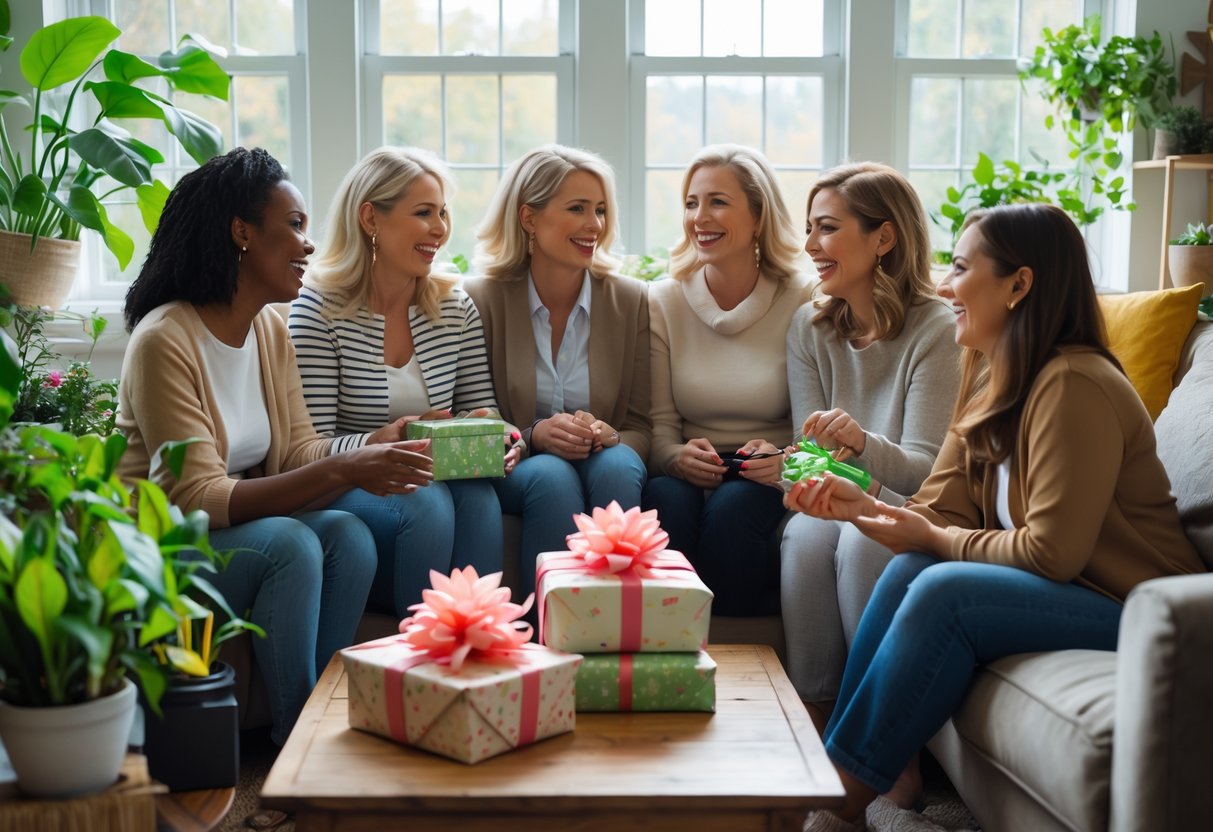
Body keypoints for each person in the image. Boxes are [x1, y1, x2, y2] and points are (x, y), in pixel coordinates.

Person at [788, 203, 1205, 831]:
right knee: (909, 570)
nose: (945, 286)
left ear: (1020, 283)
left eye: (959, 268)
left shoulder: (1074, 382)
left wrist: (930, 535)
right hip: (1067, 590)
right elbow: (935, 512)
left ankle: (836, 800)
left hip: (1137, 606)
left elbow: (1052, 554)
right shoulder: (989, 376)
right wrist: (860, 506)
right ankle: (857, 771)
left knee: (943, 589)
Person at [119, 147, 431, 748]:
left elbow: (294, 455)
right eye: (293, 226)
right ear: (242, 233)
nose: (307, 246)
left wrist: (371, 447)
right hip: (164, 548)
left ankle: (322, 716)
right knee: (292, 544)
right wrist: (351, 466)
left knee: (348, 534)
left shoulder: (267, 329)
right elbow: (196, 496)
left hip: (226, 531)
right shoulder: (165, 339)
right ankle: (298, 746)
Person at [288, 146, 512, 618]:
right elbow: (305, 450)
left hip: (430, 482)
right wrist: (381, 441)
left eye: (443, 213)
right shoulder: (318, 310)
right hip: (349, 486)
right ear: (371, 218)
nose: (440, 228)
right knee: (425, 501)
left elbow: (482, 408)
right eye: (423, 213)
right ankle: (417, 660)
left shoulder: (454, 305)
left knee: (480, 498)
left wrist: (500, 437)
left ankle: (483, 647)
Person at [781, 162, 961, 717]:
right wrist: (801, 469)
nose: (810, 244)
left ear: (883, 237)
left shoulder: (939, 328)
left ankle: (882, 722)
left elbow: (927, 470)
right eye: (810, 227)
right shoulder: (810, 328)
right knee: (807, 535)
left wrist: (862, 442)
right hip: (842, 491)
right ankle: (816, 715)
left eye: (827, 228)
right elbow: (808, 457)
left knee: (865, 538)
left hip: (916, 501)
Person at [465, 144, 650, 603]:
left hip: (607, 459)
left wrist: (608, 434)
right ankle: (541, 640)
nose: (595, 225)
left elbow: (646, 428)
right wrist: (534, 434)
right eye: (578, 209)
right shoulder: (481, 299)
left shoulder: (630, 300)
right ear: (529, 218)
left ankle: (617, 629)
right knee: (551, 475)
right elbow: (473, 415)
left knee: (619, 463)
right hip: (520, 469)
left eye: (601, 210)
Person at [643, 143, 811, 616]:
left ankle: (736, 657)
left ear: (758, 216)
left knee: (733, 509)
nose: (700, 217)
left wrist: (785, 463)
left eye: (718, 201)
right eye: (691, 203)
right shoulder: (664, 300)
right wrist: (675, 457)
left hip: (767, 473)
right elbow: (659, 426)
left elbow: (815, 428)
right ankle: (667, 653)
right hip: (692, 467)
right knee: (662, 496)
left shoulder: (805, 299)